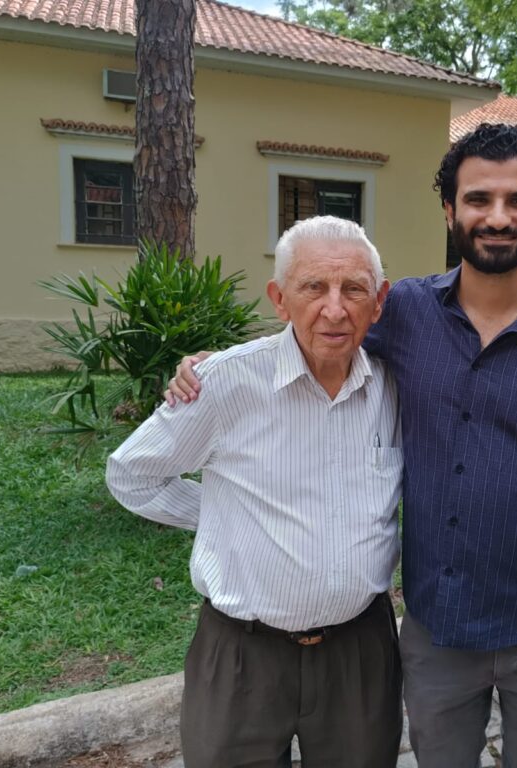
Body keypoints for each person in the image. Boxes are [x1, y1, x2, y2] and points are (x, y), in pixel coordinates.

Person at [169, 123, 517, 767]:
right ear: (450, 211)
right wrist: (216, 366)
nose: (498, 217)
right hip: (437, 631)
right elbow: (321, 324)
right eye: (479, 199)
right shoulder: (405, 314)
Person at [107, 217, 403, 768]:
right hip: (241, 655)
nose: (334, 309)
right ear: (280, 299)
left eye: (354, 289)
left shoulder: (396, 383)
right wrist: (224, 516)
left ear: (379, 301)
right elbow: (132, 475)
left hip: (359, 654)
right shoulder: (223, 384)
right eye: (313, 287)